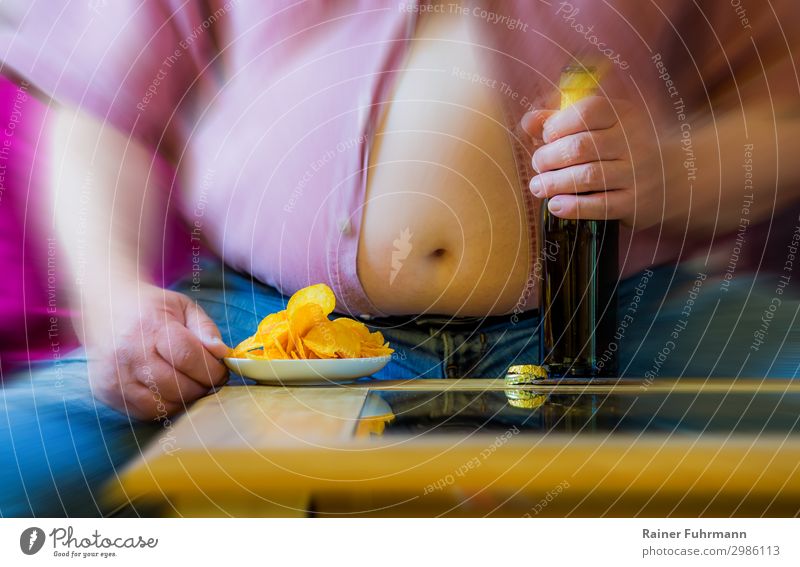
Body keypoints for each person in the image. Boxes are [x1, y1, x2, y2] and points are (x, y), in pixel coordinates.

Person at [0, 0, 798, 516]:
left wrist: (672, 167)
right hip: (261, 336)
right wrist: (113, 302)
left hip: (629, 317)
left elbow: (783, 109)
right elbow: (99, 108)